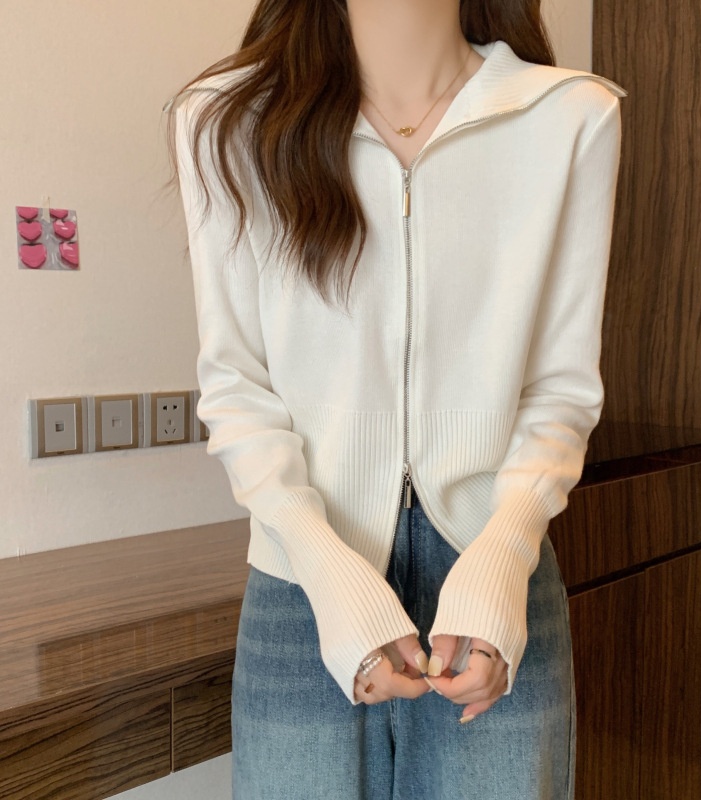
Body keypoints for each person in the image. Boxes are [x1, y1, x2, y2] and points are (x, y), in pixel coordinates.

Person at [166, 1, 625, 797]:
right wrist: (327, 574)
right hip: (301, 578)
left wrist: (503, 552)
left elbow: (560, 386)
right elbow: (237, 384)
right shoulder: (227, 120)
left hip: (495, 580)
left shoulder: (570, 116)